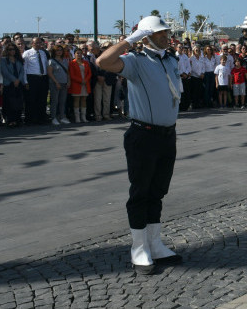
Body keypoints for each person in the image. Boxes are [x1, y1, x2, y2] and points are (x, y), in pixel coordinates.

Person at [96, 15, 183, 274]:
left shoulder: (170, 59)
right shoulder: (135, 61)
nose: (167, 36)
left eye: (166, 32)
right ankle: (139, 248)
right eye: (160, 33)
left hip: (167, 135)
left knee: (158, 192)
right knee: (140, 193)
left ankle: (155, 244)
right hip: (143, 135)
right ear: (146, 37)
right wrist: (130, 40)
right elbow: (103, 61)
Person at [22, 37, 50, 124]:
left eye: (40, 43)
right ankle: (30, 119)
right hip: (32, 78)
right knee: (31, 100)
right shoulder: (27, 53)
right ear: (32, 44)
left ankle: (41, 118)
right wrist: (25, 81)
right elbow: (24, 68)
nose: (38, 44)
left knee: (42, 99)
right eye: (36, 43)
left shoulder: (43, 53)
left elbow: (45, 65)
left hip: (43, 78)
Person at [0, 43, 27, 128]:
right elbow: (5, 72)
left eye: (13, 49)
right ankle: (10, 120)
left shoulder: (18, 59)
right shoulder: (3, 60)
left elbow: (22, 71)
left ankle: (17, 119)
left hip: (19, 84)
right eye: (10, 49)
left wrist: (18, 80)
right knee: (9, 103)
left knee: (18, 102)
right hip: (9, 83)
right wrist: (14, 80)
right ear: (6, 51)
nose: (12, 51)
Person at [47, 44, 71, 125]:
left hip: (64, 83)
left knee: (62, 101)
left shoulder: (65, 60)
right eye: (57, 50)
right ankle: (53, 117)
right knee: (55, 101)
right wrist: (56, 82)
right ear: (54, 51)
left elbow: (67, 72)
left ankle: (62, 117)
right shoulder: (51, 61)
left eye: (61, 50)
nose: (59, 52)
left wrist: (68, 81)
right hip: (55, 84)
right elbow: (50, 73)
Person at [68, 48, 92, 123]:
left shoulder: (86, 62)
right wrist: (80, 81)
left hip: (85, 84)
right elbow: (72, 75)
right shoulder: (72, 63)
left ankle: (83, 117)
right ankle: (77, 117)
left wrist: (85, 80)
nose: (79, 55)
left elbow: (89, 73)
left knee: (84, 100)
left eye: (80, 53)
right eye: (77, 53)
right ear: (74, 54)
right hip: (76, 84)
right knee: (76, 100)